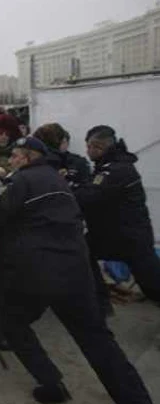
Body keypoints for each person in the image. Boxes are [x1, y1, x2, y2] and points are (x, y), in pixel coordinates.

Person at [0, 137, 155, 404]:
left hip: (35, 275)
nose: (10, 161)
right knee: (99, 343)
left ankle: (51, 384)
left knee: (12, 323)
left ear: (26, 158)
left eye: (13, 156)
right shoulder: (56, 179)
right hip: (76, 271)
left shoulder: (24, 180)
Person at [74, 125, 160, 303]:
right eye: (88, 145)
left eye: (95, 146)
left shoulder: (118, 169)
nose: (90, 150)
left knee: (152, 284)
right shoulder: (106, 166)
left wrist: (68, 188)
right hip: (111, 234)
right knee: (81, 250)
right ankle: (100, 293)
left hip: (130, 237)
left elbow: (90, 195)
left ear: (106, 147)